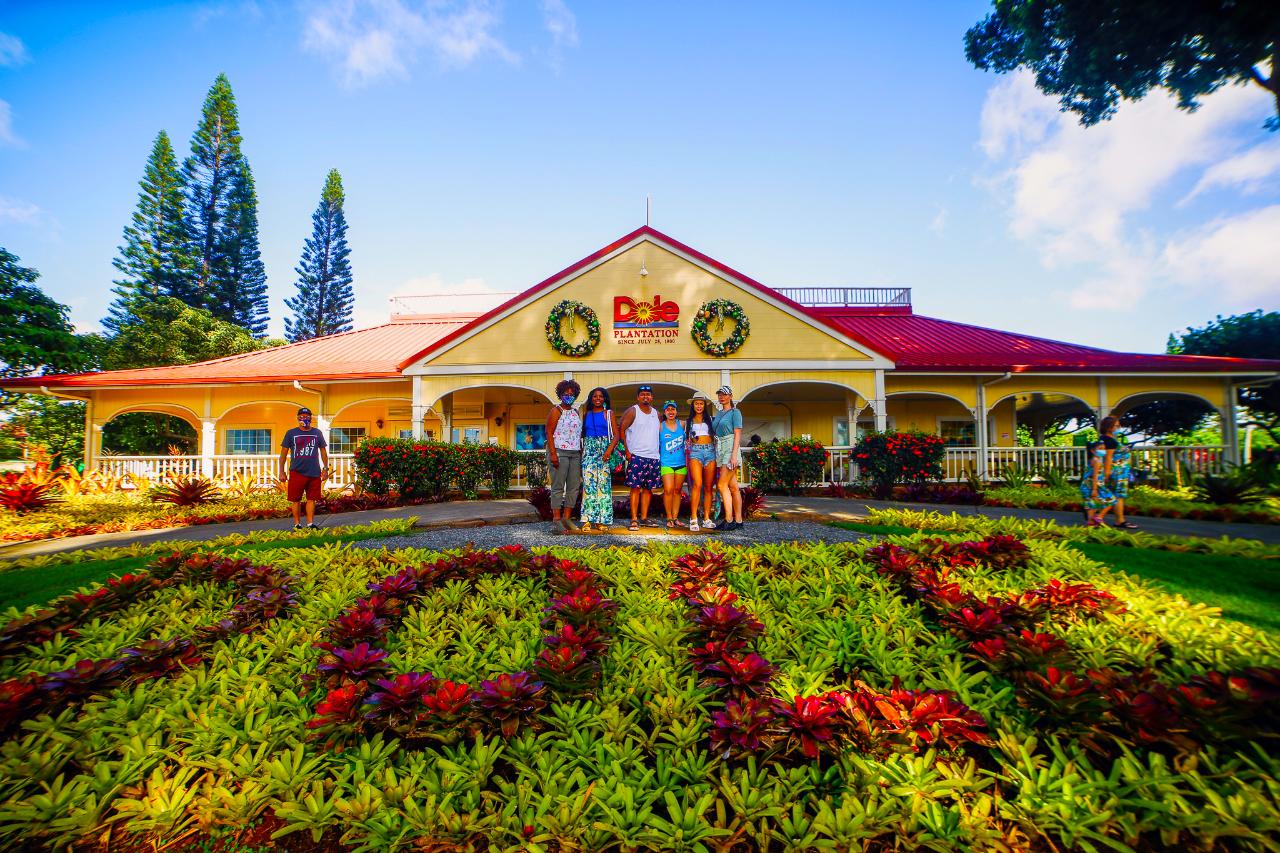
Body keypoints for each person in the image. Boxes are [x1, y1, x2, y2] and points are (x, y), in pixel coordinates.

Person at [617, 384, 662, 531]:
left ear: (652, 397)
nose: (645, 396)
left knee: (648, 490)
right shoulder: (633, 411)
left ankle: (644, 518)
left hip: (653, 456)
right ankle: (634, 519)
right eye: (642, 394)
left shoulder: (657, 413)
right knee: (635, 488)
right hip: (637, 455)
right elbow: (621, 429)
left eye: (648, 394)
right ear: (638, 397)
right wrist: (627, 451)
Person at [278, 406, 329, 530]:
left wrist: (325, 469)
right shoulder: (291, 433)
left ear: (311, 418)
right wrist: (281, 471)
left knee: (312, 499)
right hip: (296, 471)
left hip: (314, 471)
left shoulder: (317, 433)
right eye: (301, 416)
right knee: (296, 499)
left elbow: (323, 452)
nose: (304, 418)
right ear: (297, 418)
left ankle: (310, 523)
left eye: (307, 416)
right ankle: (297, 524)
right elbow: (283, 454)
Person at [545, 379, 583, 533]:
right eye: (566, 393)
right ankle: (556, 520)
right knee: (558, 487)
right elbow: (549, 432)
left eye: (572, 393)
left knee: (574, 487)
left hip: (575, 453)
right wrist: (553, 453)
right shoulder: (556, 411)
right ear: (560, 394)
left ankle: (566, 518)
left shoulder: (575, 411)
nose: (569, 396)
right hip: (559, 452)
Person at [579, 386, 618, 531]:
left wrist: (608, 450)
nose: (598, 399)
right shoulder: (586, 414)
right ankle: (587, 520)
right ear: (591, 398)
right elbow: (582, 435)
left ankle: (601, 520)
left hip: (604, 451)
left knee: (603, 486)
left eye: (601, 396)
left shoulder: (609, 413)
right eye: (595, 396)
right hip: (589, 451)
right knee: (589, 486)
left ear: (605, 399)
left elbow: (616, 434)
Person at [713, 385, 745, 531]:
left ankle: (729, 519)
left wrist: (733, 455)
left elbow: (737, 434)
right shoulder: (718, 414)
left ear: (731, 396)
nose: (722, 397)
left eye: (724, 394)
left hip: (731, 446)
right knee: (733, 487)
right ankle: (738, 521)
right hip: (720, 447)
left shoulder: (735, 412)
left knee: (721, 485)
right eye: (720, 394)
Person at [685, 391, 717, 531]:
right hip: (696, 452)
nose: (699, 406)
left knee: (709, 487)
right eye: (696, 403)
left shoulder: (711, 419)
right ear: (693, 405)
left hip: (710, 452)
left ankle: (706, 518)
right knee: (697, 484)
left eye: (701, 403)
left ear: (705, 405)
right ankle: (693, 518)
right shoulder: (688, 421)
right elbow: (686, 441)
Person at [1079, 416, 1119, 527]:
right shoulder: (1096, 461)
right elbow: (1095, 475)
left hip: (1087, 484)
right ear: (1093, 450)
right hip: (1094, 484)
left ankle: (1091, 522)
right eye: (1100, 449)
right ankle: (1098, 517)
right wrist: (1095, 489)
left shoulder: (1093, 459)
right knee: (1111, 499)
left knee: (1091, 504)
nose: (1103, 451)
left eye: (1103, 448)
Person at [1103, 418, 1138, 529]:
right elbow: (1108, 457)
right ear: (1109, 427)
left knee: (1115, 496)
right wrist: (1107, 473)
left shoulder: (1111, 439)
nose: (1118, 428)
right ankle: (1119, 520)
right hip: (1117, 472)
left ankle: (1097, 516)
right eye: (1116, 426)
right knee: (1118, 496)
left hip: (1121, 471)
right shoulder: (1109, 440)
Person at [658, 401, 688, 529]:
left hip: (681, 463)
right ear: (665, 412)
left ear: (676, 411)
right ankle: (669, 517)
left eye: (673, 409)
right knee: (668, 490)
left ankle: (675, 518)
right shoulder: (660, 426)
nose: (670, 412)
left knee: (677, 491)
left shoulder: (683, 424)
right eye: (668, 409)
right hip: (666, 463)